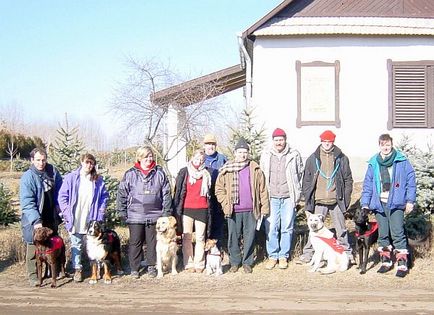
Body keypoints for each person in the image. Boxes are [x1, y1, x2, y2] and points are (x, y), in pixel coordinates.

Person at [361, 134, 416, 277]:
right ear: (379, 145)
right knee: (383, 234)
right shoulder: (374, 163)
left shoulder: (402, 161)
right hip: (379, 203)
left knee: (397, 232)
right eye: (382, 145)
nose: (385, 148)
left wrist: (410, 200)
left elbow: (411, 181)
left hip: (396, 203)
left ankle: (402, 264)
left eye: (388, 145)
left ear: (391, 145)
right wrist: (365, 203)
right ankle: (386, 261)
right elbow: (368, 184)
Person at [298, 130, 353, 263]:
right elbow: (306, 179)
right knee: (314, 228)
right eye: (325, 141)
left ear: (333, 142)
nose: (327, 144)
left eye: (329, 142)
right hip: (319, 200)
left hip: (336, 200)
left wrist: (345, 198)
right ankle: (308, 253)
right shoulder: (313, 158)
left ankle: (346, 252)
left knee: (341, 229)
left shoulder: (341, 158)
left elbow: (348, 179)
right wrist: (308, 196)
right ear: (321, 142)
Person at [215, 138, 269, 273]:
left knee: (249, 236)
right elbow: (219, 189)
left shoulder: (255, 169)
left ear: (248, 153)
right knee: (233, 237)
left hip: (251, 209)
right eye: (240, 152)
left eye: (245, 152)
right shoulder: (227, 169)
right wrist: (225, 203)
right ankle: (234, 262)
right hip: (233, 210)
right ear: (235, 153)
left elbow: (263, 189)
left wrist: (264, 208)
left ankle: (247, 262)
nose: (242, 155)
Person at [117, 146, 172, 279]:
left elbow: (166, 193)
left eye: (151, 156)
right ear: (140, 158)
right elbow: (122, 193)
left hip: (155, 215)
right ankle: (135, 268)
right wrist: (122, 211)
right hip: (135, 214)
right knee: (135, 243)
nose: (149, 159)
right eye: (146, 156)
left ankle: (152, 266)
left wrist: (166, 213)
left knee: (152, 242)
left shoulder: (159, 173)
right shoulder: (130, 174)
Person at [58, 153, 109, 282]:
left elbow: (104, 197)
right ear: (81, 162)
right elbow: (62, 196)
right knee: (77, 243)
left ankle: (97, 269)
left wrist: (101, 212)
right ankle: (78, 269)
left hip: (91, 216)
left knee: (94, 244)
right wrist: (66, 211)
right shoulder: (71, 178)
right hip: (76, 215)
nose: (89, 165)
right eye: (87, 162)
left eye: (91, 163)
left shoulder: (98, 180)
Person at [260, 128, 304, 270]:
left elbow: (300, 174)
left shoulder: (294, 154)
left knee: (287, 227)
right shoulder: (266, 155)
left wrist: (298, 193)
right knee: (271, 227)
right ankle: (273, 256)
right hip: (271, 197)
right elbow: (261, 175)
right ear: (273, 141)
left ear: (285, 140)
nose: (279, 142)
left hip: (288, 197)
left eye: (281, 139)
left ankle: (283, 256)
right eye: (276, 140)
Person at [20, 147, 63, 286]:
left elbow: (60, 192)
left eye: (43, 160)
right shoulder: (28, 177)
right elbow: (27, 202)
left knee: (52, 247)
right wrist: (36, 221)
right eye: (38, 160)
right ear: (32, 160)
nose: (41, 163)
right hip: (34, 218)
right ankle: (34, 277)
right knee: (34, 247)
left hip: (51, 216)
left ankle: (52, 273)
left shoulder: (53, 172)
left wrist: (59, 208)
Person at [173, 149, 213, 273]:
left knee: (201, 237)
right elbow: (178, 191)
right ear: (192, 158)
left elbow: (210, 194)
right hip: (187, 209)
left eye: (201, 159)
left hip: (202, 209)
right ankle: (188, 264)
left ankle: (199, 264)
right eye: (196, 159)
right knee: (187, 237)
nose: (198, 161)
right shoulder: (184, 172)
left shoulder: (207, 174)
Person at [203, 133, 227, 247]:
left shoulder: (222, 159)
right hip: (204, 197)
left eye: (212, 144)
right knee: (206, 224)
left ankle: (218, 250)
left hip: (219, 197)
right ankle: (205, 250)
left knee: (218, 224)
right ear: (204, 146)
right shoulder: (200, 158)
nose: (210, 146)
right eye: (208, 144)